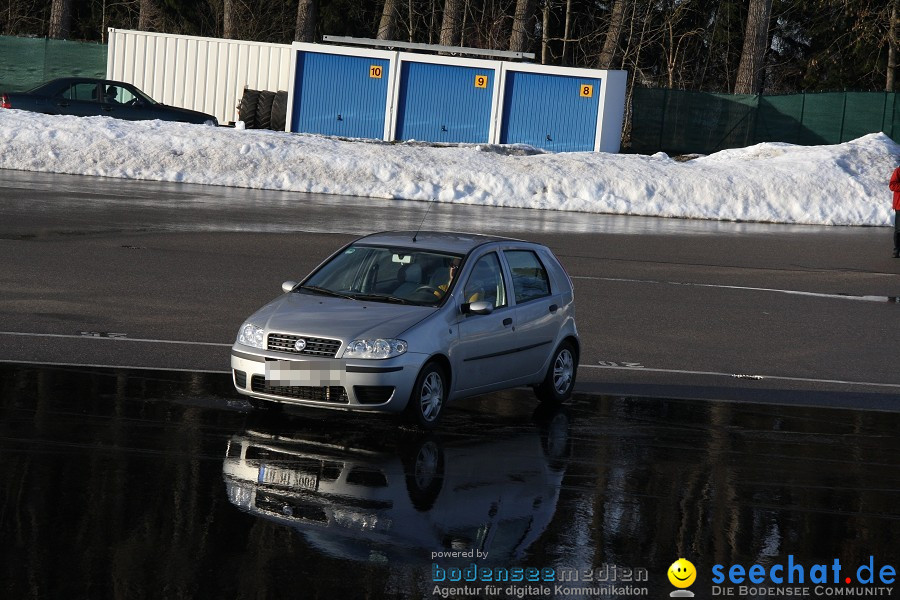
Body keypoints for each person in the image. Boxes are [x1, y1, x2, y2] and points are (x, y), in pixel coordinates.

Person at [891, 166, 900, 257]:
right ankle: (896, 250)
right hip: (899, 206)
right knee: (899, 230)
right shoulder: (898, 171)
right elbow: (892, 185)